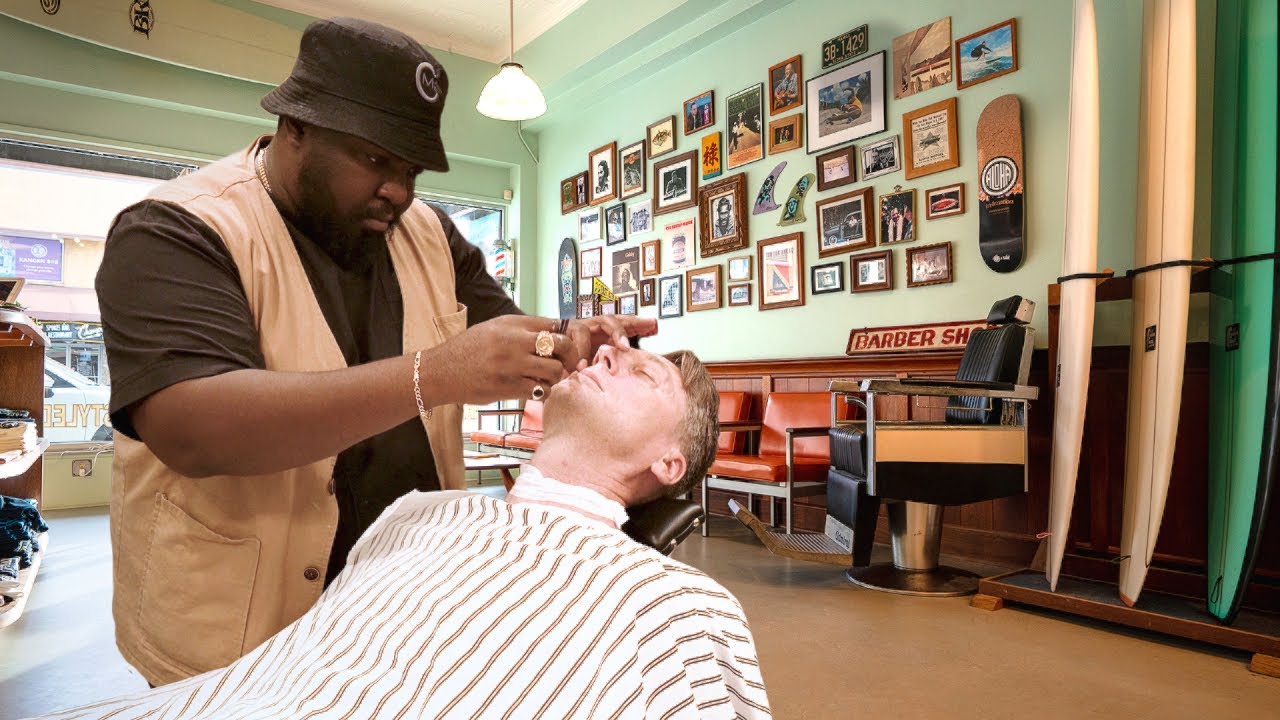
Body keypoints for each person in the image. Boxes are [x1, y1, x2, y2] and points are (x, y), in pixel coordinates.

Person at [95, 16, 653, 687]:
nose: (399, 190)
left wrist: (565, 342)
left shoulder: (428, 234)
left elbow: (507, 339)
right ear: (295, 127)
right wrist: (433, 376)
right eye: (375, 159)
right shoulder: (177, 229)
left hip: (399, 616)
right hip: (236, 629)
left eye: (411, 168)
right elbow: (193, 429)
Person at [27, 347, 773, 720]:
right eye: (614, 350)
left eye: (645, 375)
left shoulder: (678, 605)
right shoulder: (420, 511)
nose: (608, 351)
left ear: (670, 461)